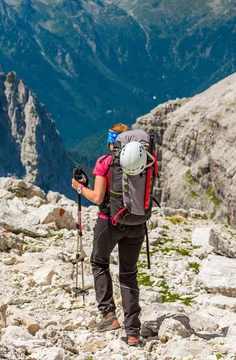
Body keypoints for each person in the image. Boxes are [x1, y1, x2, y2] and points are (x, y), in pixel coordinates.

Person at [71, 123, 145, 347]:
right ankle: (133, 332)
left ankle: (108, 316)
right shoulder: (143, 160)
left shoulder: (105, 161)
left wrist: (80, 187)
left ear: (112, 141)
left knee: (99, 262)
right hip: (137, 223)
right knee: (129, 273)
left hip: (108, 222)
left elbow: (97, 196)